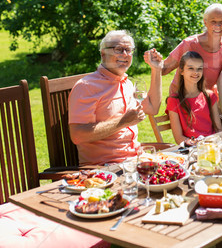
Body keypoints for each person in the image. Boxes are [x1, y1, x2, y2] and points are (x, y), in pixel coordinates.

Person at [68, 30, 163, 166]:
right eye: (118, 49)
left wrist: (157, 70)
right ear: (103, 54)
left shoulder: (127, 84)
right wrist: (123, 122)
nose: (125, 54)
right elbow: (77, 135)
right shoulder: (86, 86)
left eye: (128, 50)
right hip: (105, 168)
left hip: (135, 160)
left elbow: (153, 108)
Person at [161, 3, 222, 95]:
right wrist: (155, 62)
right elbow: (164, 69)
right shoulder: (189, 44)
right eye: (213, 21)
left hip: (206, 98)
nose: (217, 25)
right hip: (181, 98)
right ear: (205, 22)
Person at [166, 51, 222, 146]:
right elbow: (178, 138)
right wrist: (199, 144)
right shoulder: (174, 101)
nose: (195, 72)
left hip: (213, 145)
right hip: (192, 148)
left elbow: (218, 129)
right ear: (181, 71)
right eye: (191, 68)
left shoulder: (209, 96)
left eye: (199, 69)